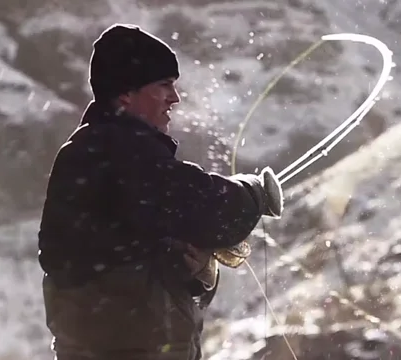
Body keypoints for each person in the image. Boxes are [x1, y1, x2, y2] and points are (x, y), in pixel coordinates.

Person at [37, 23, 283, 360]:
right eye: (164, 85)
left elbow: (125, 246)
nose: (175, 98)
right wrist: (254, 194)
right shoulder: (123, 149)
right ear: (126, 93)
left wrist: (192, 274)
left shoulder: (89, 149)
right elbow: (203, 208)